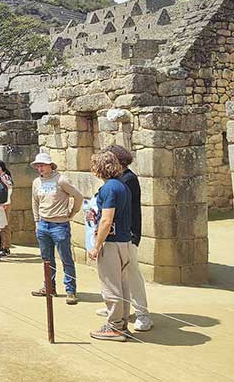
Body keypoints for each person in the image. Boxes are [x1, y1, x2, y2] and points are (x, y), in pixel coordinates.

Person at [98, 145, 152, 331]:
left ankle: (143, 314)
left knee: (132, 274)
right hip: (119, 235)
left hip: (127, 234)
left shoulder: (127, 179)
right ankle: (119, 309)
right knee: (118, 275)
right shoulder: (118, 179)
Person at [88, 151, 132, 342]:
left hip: (112, 243)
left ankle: (114, 326)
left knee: (111, 285)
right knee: (122, 285)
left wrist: (97, 246)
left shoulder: (109, 189)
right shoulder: (122, 186)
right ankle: (121, 324)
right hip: (124, 241)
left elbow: (106, 220)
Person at [30, 151, 84, 305]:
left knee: (66, 258)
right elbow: (35, 202)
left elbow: (78, 196)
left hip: (59, 224)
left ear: (50, 165)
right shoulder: (36, 182)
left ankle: (70, 290)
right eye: (37, 165)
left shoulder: (61, 180)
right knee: (46, 259)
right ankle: (49, 287)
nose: (39, 168)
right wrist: (36, 221)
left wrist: (72, 213)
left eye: (42, 165)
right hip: (43, 224)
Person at [0, 161, 14, 256]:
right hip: (1, 203)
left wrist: (7, 201)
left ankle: (6, 247)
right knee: (1, 226)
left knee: (5, 226)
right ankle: (2, 245)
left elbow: (10, 188)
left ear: (0, 168)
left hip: (5, 204)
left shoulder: (5, 177)